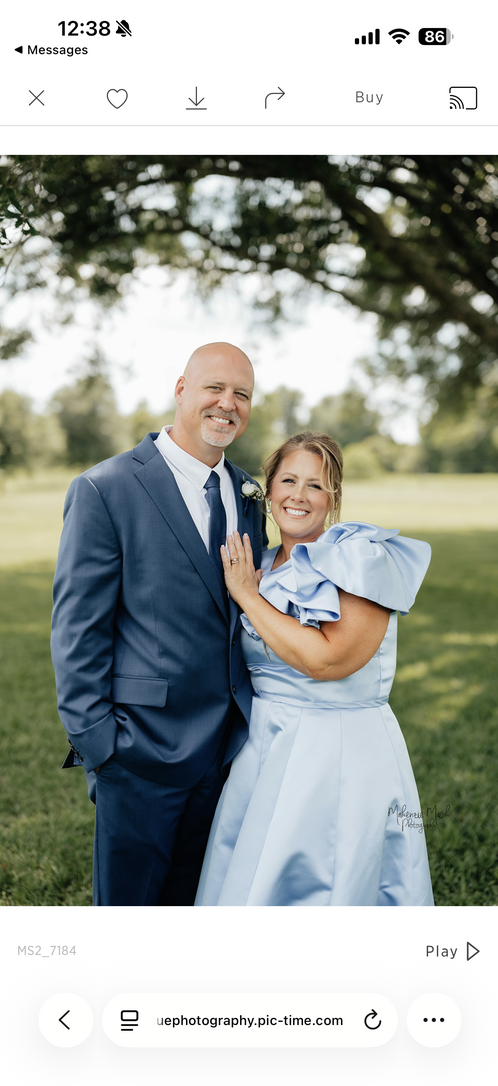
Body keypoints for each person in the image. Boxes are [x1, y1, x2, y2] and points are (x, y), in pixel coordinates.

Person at [51, 342, 267, 906]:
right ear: (181, 390)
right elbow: (77, 633)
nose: (227, 404)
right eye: (214, 388)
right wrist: (102, 748)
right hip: (139, 754)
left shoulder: (248, 494)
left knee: (195, 913)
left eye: (242, 394)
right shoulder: (106, 488)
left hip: (227, 754)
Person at [195, 430, 434, 906]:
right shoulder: (259, 565)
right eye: (288, 480)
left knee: (329, 883)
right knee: (251, 878)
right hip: (262, 746)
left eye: (316, 485)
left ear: (333, 497)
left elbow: (330, 660)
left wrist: (247, 596)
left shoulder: (358, 557)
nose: (298, 496)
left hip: (337, 751)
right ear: (268, 490)